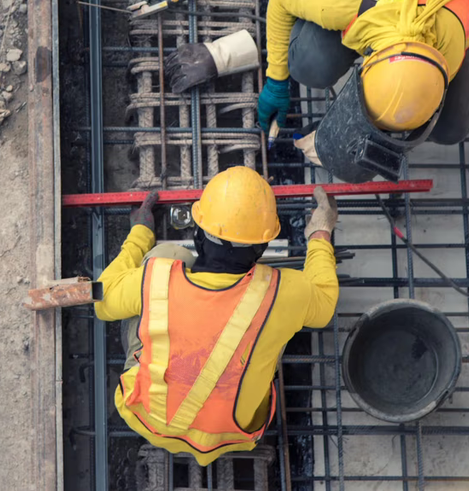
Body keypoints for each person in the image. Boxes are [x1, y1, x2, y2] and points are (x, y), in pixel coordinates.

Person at [95, 166, 340, 465]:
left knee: (165, 257)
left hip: (146, 417)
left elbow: (103, 300)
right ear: (262, 247)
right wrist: (320, 232)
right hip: (235, 435)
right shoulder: (283, 291)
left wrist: (140, 232)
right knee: (274, 323)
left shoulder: (157, 279)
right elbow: (325, 302)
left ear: (199, 237)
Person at [257, 0, 469, 161]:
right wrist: (276, 81)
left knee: (451, 128)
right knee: (309, 65)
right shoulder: (339, 3)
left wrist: (345, 132)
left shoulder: (450, 49)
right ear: (368, 63)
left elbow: (402, 103)